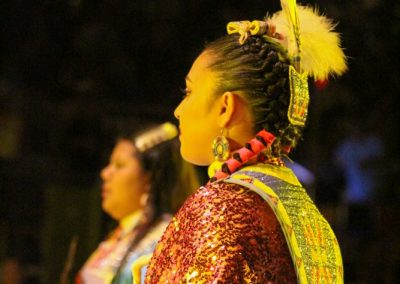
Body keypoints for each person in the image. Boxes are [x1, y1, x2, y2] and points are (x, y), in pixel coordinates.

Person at [145, 1, 347, 283]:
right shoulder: (308, 216)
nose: (178, 110)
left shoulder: (220, 208)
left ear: (226, 107)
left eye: (188, 91)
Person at [76, 122, 200, 283]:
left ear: (150, 177)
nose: (105, 173)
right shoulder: (123, 234)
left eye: (119, 165)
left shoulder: (164, 240)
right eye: (109, 165)